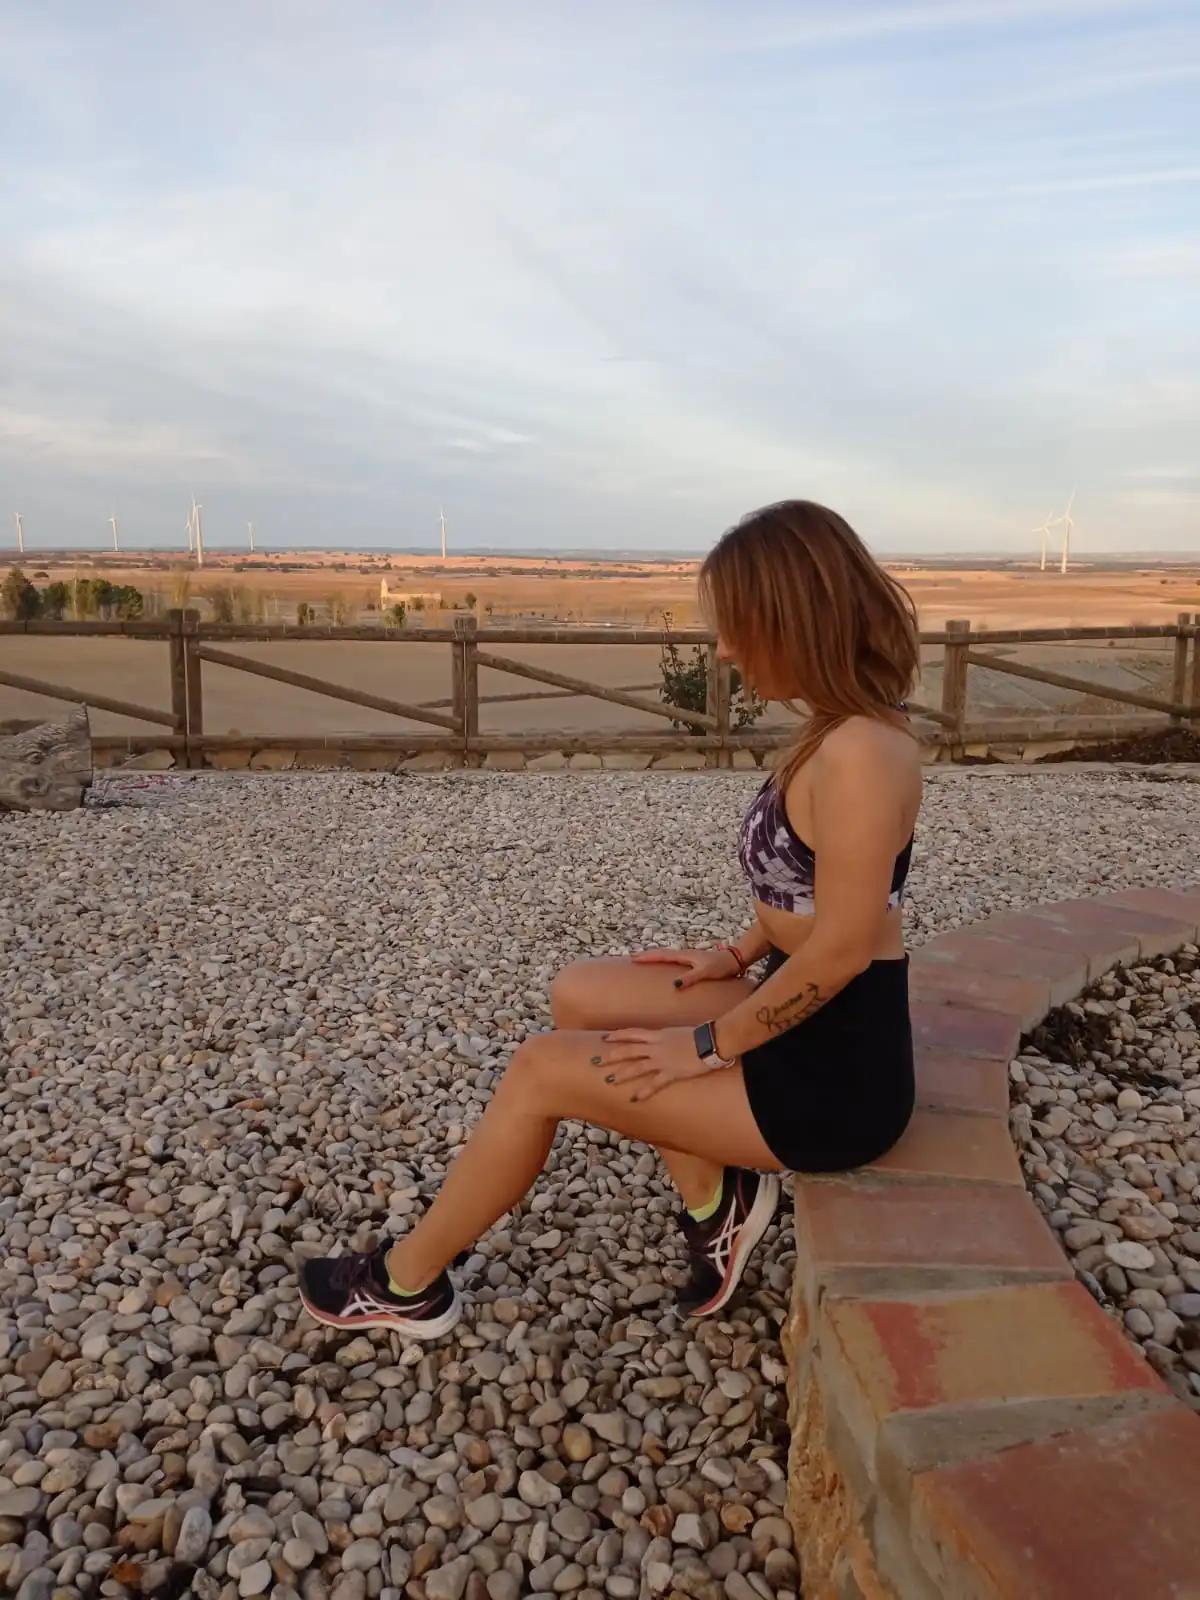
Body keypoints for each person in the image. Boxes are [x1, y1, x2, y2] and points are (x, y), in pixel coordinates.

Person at [299, 500, 923, 1339]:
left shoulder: (862, 754)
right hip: (803, 1013)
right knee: (582, 994)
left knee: (539, 1072)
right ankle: (720, 1204)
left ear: (795, 619)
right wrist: (736, 951)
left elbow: (844, 948)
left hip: (835, 1080)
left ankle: (405, 1285)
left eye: (738, 627)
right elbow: (825, 889)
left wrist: (703, 1046)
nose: (725, 650)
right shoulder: (838, 730)